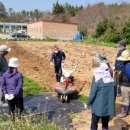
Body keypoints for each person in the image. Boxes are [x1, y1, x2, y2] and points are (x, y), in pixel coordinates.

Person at [85, 54, 116, 130]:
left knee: (94, 123)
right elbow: (114, 95)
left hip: (97, 106)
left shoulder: (97, 80)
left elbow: (92, 94)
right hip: (108, 107)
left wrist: (88, 104)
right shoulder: (113, 82)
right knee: (105, 124)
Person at [116, 50, 130, 118]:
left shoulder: (127, 66)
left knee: (125, 99)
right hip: (127, 84)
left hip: (126, 85)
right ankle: (128, 111)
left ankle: (124, 112)